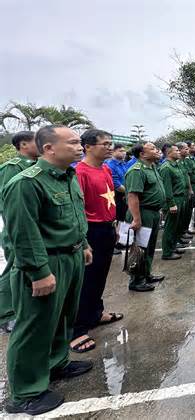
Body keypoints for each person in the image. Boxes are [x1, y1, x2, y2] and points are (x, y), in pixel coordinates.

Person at [2, 125, 93, 415]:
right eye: (73, 142)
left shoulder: (68, 176)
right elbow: (23, 233)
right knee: (34, 325)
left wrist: (84, 244)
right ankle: (24, 393)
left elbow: (75, 216)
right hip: (46, 262)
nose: (80, 147)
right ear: (49, 148)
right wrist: (38, 271)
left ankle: (56, 364)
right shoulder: (26, 183)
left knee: (63, 317)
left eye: (80, 142)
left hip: (72, 256)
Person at [72, 129, 123, 353]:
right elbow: (77, 210)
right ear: (88, 147)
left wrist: (114, 225)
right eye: (105, 143)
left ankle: (96, 312)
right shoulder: (79, 173)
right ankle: (78, 326)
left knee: (100, 275)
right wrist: (83, 241)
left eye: (111, 143)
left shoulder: (104, 169)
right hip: (90, 231)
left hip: (107, 228)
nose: (110, 147)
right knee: (86, 280)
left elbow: (109, 202)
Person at [0, 131, 39, 334]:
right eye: (35, 141)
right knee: (14, 271)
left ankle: (24, 310)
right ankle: (6, 315)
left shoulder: (37, 166)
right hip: (17, 230)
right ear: (23, 144)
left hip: (34, 228)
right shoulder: (12, 168)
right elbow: (8, 204)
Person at [124, 142, 166, 292]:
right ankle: (136, 280)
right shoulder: (136, 170)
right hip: (142, 212)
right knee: (140, 248)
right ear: (142, 154)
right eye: (153, 149)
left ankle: (146, 273)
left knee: (149, 247)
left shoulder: (152, 167)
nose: (157, 151)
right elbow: (133, 195)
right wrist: (136, 218)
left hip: (153, 212)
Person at [158, 144, 187, 260]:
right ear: (169, 153)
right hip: (173, 200)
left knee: (176, 226)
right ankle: (167, 252)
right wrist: (171, 204)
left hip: (180, 198)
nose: (179, 152)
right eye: (176, 150)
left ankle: (173, 246)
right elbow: (167, 189)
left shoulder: (176, 165)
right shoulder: (166, 168)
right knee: (170, 227)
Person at [105, 144, 128, 255]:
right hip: (116, 196)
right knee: (116, 220)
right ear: (113, 152)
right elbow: (116, 184)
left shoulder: (123, 164)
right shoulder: (110, 165)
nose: (124, 152)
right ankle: (113, 244)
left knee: (122, 220)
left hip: (125, 196)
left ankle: (120, 242)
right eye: (120, 150)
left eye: (124, 150)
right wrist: (130, 192)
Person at [175, 142, 195, 245]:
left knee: (185, 215)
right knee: (177, 220)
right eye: (185, 149)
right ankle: (177, 238)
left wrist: (190, 189)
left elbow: (187, 176)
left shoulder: (182, 162)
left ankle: (183, 233)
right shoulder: (175, 163)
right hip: (177, 195)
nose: (188, 151)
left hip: (185, 192)